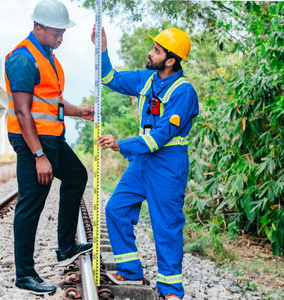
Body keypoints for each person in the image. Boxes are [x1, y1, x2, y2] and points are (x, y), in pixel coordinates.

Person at [92, 26, 199, 300]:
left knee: (166, 226)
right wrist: (102, 48)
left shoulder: (184, 92)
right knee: (116, 208)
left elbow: (162, 135)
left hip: (168, 165)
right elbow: (109, 78)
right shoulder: (146, 79)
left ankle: (171, 290)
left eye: (157, 51)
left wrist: (120, 144)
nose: (150, 53)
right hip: (142, 162)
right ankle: (130, 271)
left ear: (172, 60)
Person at [5, 0, 94, 295]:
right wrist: (39, 156)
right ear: (38, 27)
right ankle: (24, 275)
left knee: (77, 176)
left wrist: (79, 111)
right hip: (34, 142)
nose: (60, 38)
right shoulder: (22, 58)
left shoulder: (49, 57)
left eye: (63, 33)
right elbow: (23, 111)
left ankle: (65, 245)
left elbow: (52, 101)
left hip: (52, 137)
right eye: (56, 33)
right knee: (31, 205)